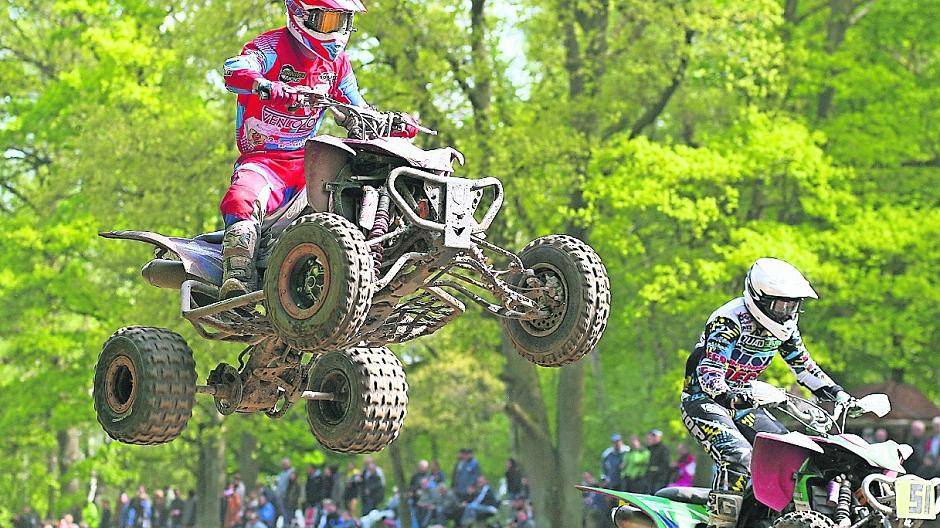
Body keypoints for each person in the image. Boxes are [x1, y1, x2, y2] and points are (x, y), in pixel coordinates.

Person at [217, 0, 418, 298]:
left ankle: (371, 257)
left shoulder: (337, 65)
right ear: (299, 14)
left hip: (307, 163)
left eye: (343, 21)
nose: (336, 32)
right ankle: (237, 277)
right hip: (264, 161)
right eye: (327, 22)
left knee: (360, 182)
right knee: (241, 197)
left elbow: (356, 107)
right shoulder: (270, 47)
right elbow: (235, 69)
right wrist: (265, 85)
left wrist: (393, 122)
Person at [681, 258, 850, 527]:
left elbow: (804, 367)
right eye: (781, 305)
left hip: (746, 403)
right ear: (759, 298)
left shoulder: (786, 328)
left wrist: (839, 394)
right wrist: (728, 396)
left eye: (793, 305)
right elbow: (710, 371)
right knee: (738, 456)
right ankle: (719, 524)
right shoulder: (729, 320)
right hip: (705, 401)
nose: (787, 312)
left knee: (788, 455)